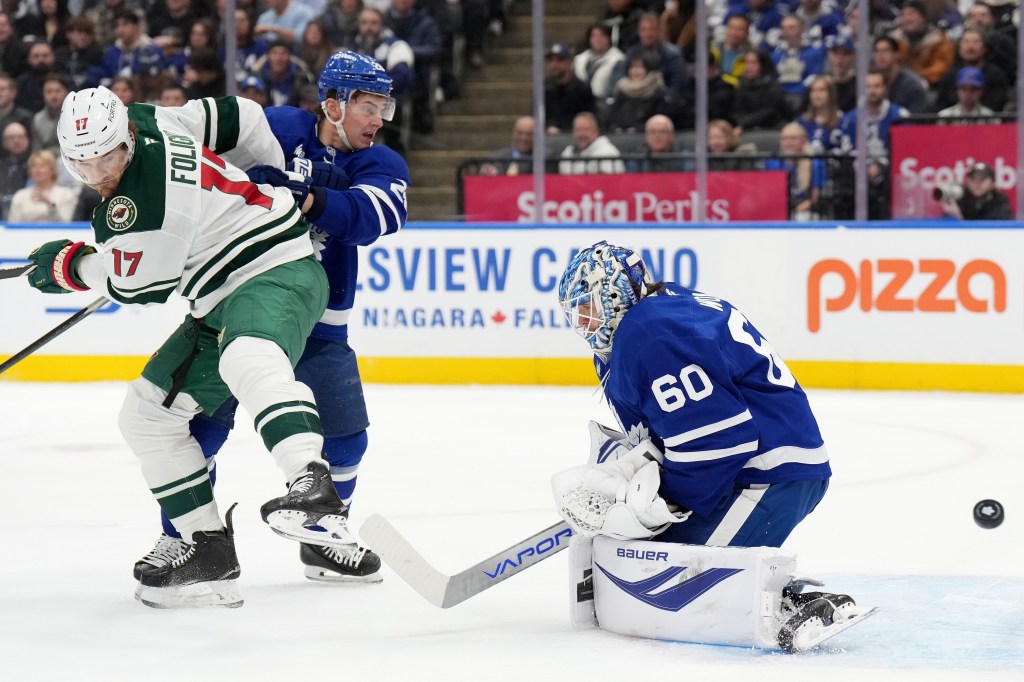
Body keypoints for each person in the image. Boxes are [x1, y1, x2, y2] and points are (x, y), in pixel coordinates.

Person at [25, 84, 353, 608]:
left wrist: (71, 267)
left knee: (247, 354)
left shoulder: (143, 208)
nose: (100, 174)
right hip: (216, 294)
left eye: (108, 158)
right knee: (146, 415)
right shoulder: (149, 118)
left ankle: (313, 485)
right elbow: (242, 116)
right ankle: (207, 549)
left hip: (276, 266)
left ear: (127, 137)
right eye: (83, 166)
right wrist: (261, 183)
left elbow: (139, 288)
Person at [136, 51, 409, 585]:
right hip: (237, 304)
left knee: (347, 440)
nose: (379, 120)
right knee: (198, 430)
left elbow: (376, 215)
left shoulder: (380, 163)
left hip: (319, 321)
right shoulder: (277, 127)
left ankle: (323, 538)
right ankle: (186, 537)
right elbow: (190, 164)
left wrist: (308, 199)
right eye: (369, 106)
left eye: (384, 108)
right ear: (334, 104)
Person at [553, 241, 858, 649]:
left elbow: (719, 440)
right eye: (575, 313)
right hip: (757, 465)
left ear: (615, 295)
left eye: (588, 308)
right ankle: (768, 592)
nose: (582, 322)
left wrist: (665, 500)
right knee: (643, 561)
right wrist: (632, 467)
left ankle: (786, 604)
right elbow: (679, 424)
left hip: (768, 472)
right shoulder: (657, 312)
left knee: (665, 578)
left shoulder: (648, 332)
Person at [764, 122, 826, 221]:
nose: (788, 142)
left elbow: (814, 198)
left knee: (801, 218)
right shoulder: (773, 162)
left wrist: (793, 212)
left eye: (793, 138)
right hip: (779, 208)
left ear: (803, 141)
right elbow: (769, 193)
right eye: (784, 139)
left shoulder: (814, 162)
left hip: (804, 211)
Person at [6, 149, 77, 222]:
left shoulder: (65, 195)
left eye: (42, 165)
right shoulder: (20, 195)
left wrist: (51, 206)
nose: (37, 170)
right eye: (34, 166)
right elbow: (13, 224)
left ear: (52, 170)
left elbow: (67, 224)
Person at [542, 43, 595, 134]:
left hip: (575, 136)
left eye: (559, 60)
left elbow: (588, 118)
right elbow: (535, 116)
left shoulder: (582, 88)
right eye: (551, 61)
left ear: (570, 62)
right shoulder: (543, 88)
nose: (554, 65)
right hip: (547, 136)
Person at [939, 161, 1012, 220]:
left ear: (993, 183)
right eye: (973, 178)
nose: (977, 183)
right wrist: (952, 215)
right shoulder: (961, 201)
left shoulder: (999, 204)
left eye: (982, 179)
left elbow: (992, 228)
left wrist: (959, 218)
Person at [558, 112, 624, 175]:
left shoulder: (607, 152)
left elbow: (609, 181)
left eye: (586, 130)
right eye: (578, 129)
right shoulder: (567, 153)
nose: (581, 134)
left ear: (596, 132)